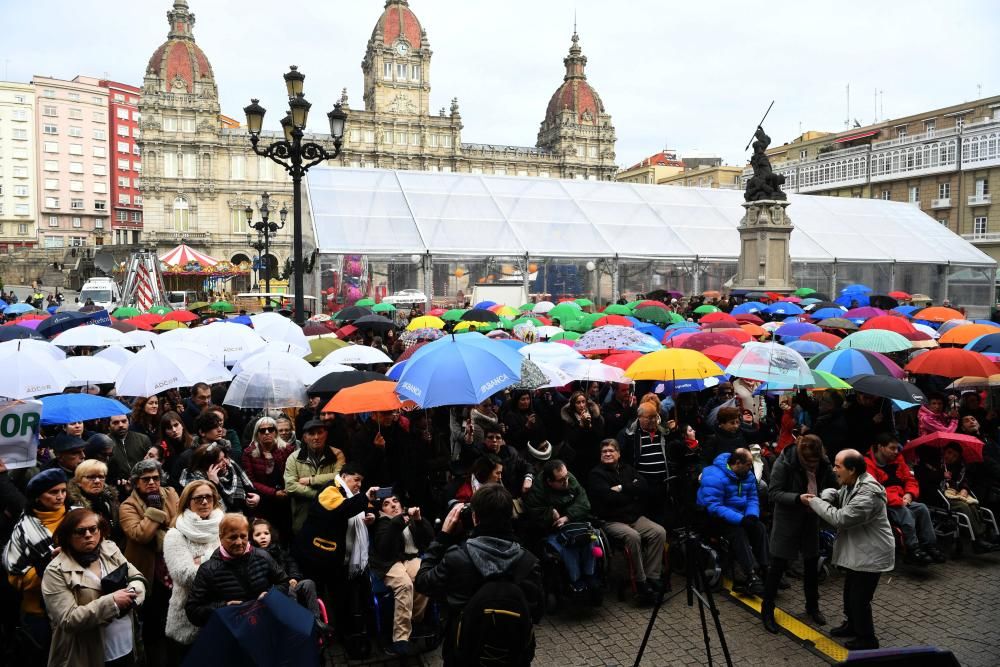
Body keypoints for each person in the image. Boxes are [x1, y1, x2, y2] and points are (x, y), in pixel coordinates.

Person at [416, 485, 543, 667]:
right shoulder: (529, 562)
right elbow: (537, 613)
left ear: (474, 518)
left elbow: (423, 582)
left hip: (463, 656)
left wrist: (443, 537)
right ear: (510, 516)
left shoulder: (456, 558)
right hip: (513, 657)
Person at [807, 449, 895, 651]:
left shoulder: (869, 494)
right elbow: (841, 496)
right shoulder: (852, 483)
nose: (834, 469)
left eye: (838, 466)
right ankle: (852, 625)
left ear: (852, 469)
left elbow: (841, 518)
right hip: (859, 551)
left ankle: (867, 638)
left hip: (872, 553)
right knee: (849, 593)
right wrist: (830, 494)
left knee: (860, 598)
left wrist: (814, 501)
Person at [41, 508, 146, 667]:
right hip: (89, 655)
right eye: (80, 531)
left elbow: (136, 576)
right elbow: (68, 620)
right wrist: (113, 602)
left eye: (93, 529)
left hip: (126, 646)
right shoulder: (56, 571)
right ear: (68, 535)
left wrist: (135, 590)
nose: (88, 535)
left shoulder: (109, 548)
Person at [760, 435, 836, 633]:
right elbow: (774, 493)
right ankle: (767, 610)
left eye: (816, 462)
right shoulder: (784, 463)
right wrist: (797, 498)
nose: (813, 466)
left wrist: (827, 494)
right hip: (788, 518)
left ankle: (812, 606)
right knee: (777, 565)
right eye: (809, 462)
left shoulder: (823, 462)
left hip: (811, 518)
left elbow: (832, 483)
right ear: (802, 455)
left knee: (811, 563)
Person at [1, 469, 69, 661]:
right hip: (39, 612)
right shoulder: (23, 529)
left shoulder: (77, 517)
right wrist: (45, 570)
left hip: (76, 607)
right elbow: (15, 577)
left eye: (63, 491)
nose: (60, 496)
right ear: (38, 497)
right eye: (53, 492)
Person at [587, 439, 666, 605]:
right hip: (611, 520)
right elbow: (608, 498)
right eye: (604, 451)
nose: (607, 454)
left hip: (635, 517)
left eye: (611, 451)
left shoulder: (627, 468)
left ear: (618, 453)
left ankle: (653, 576)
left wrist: (622, 488)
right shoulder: (596, 474)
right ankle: (640, 581)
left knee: (659, 532)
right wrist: (631, 491)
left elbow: (643, 486)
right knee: (633, 536)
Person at [118, 459, 179, 667]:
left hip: (174, 564)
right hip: (149, 571)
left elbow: (179, 523)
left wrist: (160, 533)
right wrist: (154, 509)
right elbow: (140, 535)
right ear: (136, 482)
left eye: (155, 478)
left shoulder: (170, 493)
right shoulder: (127, 506)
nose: (152, 482)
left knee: (175, 616)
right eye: (146, 479)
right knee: (153, 624)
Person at [185, 513, 291, 627]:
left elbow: (284, 582)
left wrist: (270, 595)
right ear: (221, 538)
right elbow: (193, 610)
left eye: (243, 536)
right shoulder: (208, 570)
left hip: (266, 623)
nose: (239, 542)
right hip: (232, 632)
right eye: (232, 537)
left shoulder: (263, 556)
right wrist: (224, 608)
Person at [162, 480, 223, 660]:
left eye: (208, 497)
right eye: (198, 498)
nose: (204, 502)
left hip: (220, 613)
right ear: (188, 501)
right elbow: (185, 575)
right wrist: (217, 558)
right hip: (187, 617)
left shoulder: (223, 526)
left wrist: (201, 562)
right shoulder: (175, 534)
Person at [523, 459, 599, 600]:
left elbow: (584, 502)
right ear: (550, 482)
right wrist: (550, 513)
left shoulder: (568, 478)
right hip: (552, 530)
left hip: (574, 523)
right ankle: (575, 581)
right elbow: (534, 514)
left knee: (590, 540)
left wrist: (567, 517)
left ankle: (590, 575)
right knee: (567, 546)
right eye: (561, 480)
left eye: (567, 477)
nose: (566, 482)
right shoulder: (538, 491)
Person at [697, 448, 769, 595]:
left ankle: (765, 567)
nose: (751, 468)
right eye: (749, 464)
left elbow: (752, 498)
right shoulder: (713, 475)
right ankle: (750, 575)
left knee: (759, 527)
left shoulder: (746, 474)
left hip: (740, 515)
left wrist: (751, 515)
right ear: (737, 463)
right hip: (715, 519)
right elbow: (714, 507)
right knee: (738, 532)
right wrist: (741, 520)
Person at [369, 495, 434, 656]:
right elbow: (385, 550)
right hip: (388, 562)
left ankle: (414, 620)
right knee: (404, 584)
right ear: (382, 510)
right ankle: (401, 638)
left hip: (410, 558)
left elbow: (430, 539)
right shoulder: (381, 522)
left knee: (425, 577)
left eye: (395, 501)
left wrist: (419, 520)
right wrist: (396, 523)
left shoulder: (409, 518)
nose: (392, 505)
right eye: (386, 504)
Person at [865, 434, 945, 565]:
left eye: (897, 448)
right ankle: (911, 549)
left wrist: (909, 494)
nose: (896, 452)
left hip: (902, 498)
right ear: (880, 447)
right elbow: (874, 490)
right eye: (892, 448)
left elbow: (909, 479)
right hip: (883, 503)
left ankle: (929, 545)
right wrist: (899, 501)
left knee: (922, 508)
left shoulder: (898, 459)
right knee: (906, 514)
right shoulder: (867, 463)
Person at [914, 444, 1000, 552]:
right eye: (949, 453)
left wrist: (964, 488)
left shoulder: (958, 467)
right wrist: (941, 474)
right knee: (963, 506)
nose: (951, 457)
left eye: (955, 456)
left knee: (973, 504)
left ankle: (981, 537)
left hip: (953, 495)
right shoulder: (930, 462)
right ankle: (977, 540)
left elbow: (964, 480)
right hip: (937, 497)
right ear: (944, 451)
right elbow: (923, 479)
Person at [249, 518, 326, 633]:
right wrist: (284, 583)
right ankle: (294, 623)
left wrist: (294, 577)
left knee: (308, 583)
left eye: (266, 533)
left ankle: (316, 620)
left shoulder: (278, 549)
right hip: (274, 591)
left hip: (290, 583)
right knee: (290, 590)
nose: (263, 537)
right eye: (258, 534)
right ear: (252, 538)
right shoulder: (254, 556)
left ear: (271, 534)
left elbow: (291, 563)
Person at [283, 419, 346, 533]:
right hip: (303, 515)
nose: (316, 437)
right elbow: (290, 486)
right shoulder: (294, 458)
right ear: (305, 437)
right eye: (311, 434)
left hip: (330, 514)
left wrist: (312, 480)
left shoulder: (337, 454)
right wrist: (320, 495)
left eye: (320, 432)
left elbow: (340, 478)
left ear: (326, 434)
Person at [616, 401, 671, 524]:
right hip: (642, 482)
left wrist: (674, 430)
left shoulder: (663, 431)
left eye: (655, 417)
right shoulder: (629, 434)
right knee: (645, 514)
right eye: (649, 417)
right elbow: (622, 458)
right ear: (639, 417)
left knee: (661, 514)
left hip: (662, 482)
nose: (653, 420)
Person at [241, 417, 293, 530]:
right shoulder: (248, 453)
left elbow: (292, 473)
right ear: (257, 434)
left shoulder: (287, 449)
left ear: (275, 432)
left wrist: (285, 490)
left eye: (270, 429)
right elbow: (250, 481)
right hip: (262, 499)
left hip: (285, 497)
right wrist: (274, 493)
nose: (267, 432)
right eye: (262, 430)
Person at [183, 442, 259, 514]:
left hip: (242, 515)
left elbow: (249, 489)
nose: (225, 462)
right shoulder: (196, 481)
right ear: (207, 465)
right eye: (219, 461)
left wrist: (256, 496)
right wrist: (214, 484)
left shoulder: (231, 465)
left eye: (225, 457)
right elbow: (219, 508)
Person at [465, 425, 534, 498]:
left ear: (502, 441)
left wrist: (528, 479)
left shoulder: (510, 452)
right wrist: (469, 436)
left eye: (498, 437)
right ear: (484, 440)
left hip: (511, 494)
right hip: (488, 495)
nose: (494, 440)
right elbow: (468, 451)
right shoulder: (479, 452)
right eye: (490, 437)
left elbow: (527, 466)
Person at [67, 458, 121, 546]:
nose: (97, 481)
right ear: (79, 482)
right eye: (91, 477)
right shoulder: (74, 507)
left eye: (101, 477)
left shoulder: (110, 500)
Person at [561, 391, 605, 480]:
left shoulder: (595, 416)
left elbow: (600, 436)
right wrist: (581, 425)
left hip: (594, 456)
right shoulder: (569, 419)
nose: (581, 405)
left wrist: (589, 425)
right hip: (578, 459)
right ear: (573, 405)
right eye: (578, 402)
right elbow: (573, 441)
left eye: (583, 402)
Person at [107, 413, 152, 500]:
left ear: (129, 421)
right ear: (109, 425)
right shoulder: (105, 443)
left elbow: (151, 464)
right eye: (116, 422)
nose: (121, 425)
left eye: (124, 421)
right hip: (118, 493)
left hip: (144, 488)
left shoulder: (143, 439)